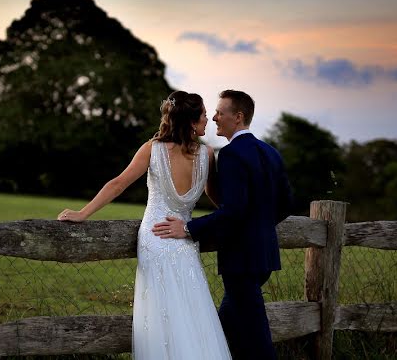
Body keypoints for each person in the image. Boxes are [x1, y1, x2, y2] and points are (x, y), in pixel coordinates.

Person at [58, 90, 232, 359]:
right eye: (203, 115)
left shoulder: (153, 148)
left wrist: (84, 212)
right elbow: (215, 196)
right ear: (189, 121)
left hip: (156, 238)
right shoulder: (207, 155)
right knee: (188, 305)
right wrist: (239, 213)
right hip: (184, 237)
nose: (208, 119)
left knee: (163, 309)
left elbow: (118, 184)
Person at [153, 89, 293, 360]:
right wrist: (259, 226)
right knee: (223, 328)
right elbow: (286, 203)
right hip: (264, 257)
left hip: (241, 260)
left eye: (220, 112)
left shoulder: (230, 155)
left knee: (257, 336)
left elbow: (234, 210)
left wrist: (189, 228)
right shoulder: (271, 152)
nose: (215, 117)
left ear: (238, 117)